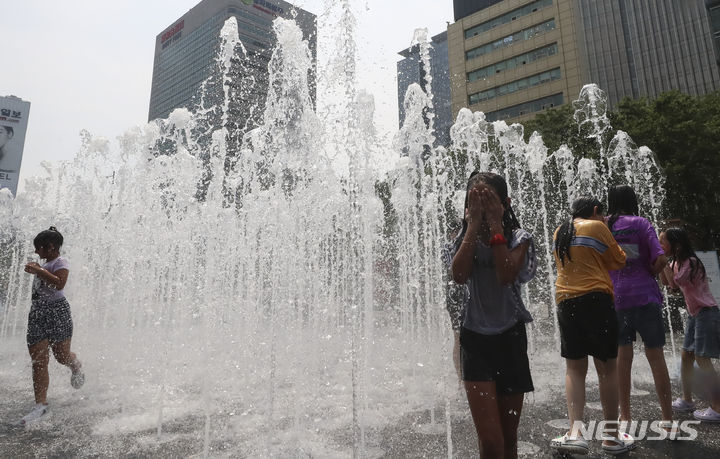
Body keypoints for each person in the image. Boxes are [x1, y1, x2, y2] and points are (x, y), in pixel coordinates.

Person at [451, 171, 536, 458]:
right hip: (475, 341)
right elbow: (459, 275)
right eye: (476, 201)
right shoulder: (464, 239)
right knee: (490, 441)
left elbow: (505, 274)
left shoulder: (519, 238)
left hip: (510, 339)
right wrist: (473, 227)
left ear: (506, 202)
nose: (483, 208)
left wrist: (497, 224)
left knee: (508, 439)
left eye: (489, 201)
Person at [550, 197, 634, 456]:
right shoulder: (596, 227)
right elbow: (619, 259)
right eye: (603, 215)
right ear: (596, 211)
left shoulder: (559, 231)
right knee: (607, 368)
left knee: (575, 369)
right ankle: (610, 437)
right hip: (596, 299)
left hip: (566, 301)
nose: (604, 220)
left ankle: (575, 434)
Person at [606, 185, 674, 433]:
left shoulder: (605, 225)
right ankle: (667, 419)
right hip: (645, 297)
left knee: (623, 360)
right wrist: (650, 273)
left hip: (617, 299)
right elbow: (662, 259)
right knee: (656, 357)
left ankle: (625, 416)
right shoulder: (642, 223)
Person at [20, 227, 84, 426]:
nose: (37, 253)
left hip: (58, 312)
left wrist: (39, 270)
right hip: (38, 314)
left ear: (51, 247)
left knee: (61, 356)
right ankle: (41, 405)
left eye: (39, 248)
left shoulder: (60, 262)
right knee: (39, 359)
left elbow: (60, 284)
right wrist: (38, 269)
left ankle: (75, 366)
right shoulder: (45, 263)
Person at [659, 227, 720, 422]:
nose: (660, 246)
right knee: (687, 357)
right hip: (695, 315)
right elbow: (668, 285)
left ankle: (718, 407)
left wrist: (662, 261)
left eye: (662, 242)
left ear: (676, 245)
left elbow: (675, 283)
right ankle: (687, 399)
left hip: (706, 312)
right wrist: (662, 263)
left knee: (702, 358)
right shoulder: (675, 262)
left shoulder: (691, 263)